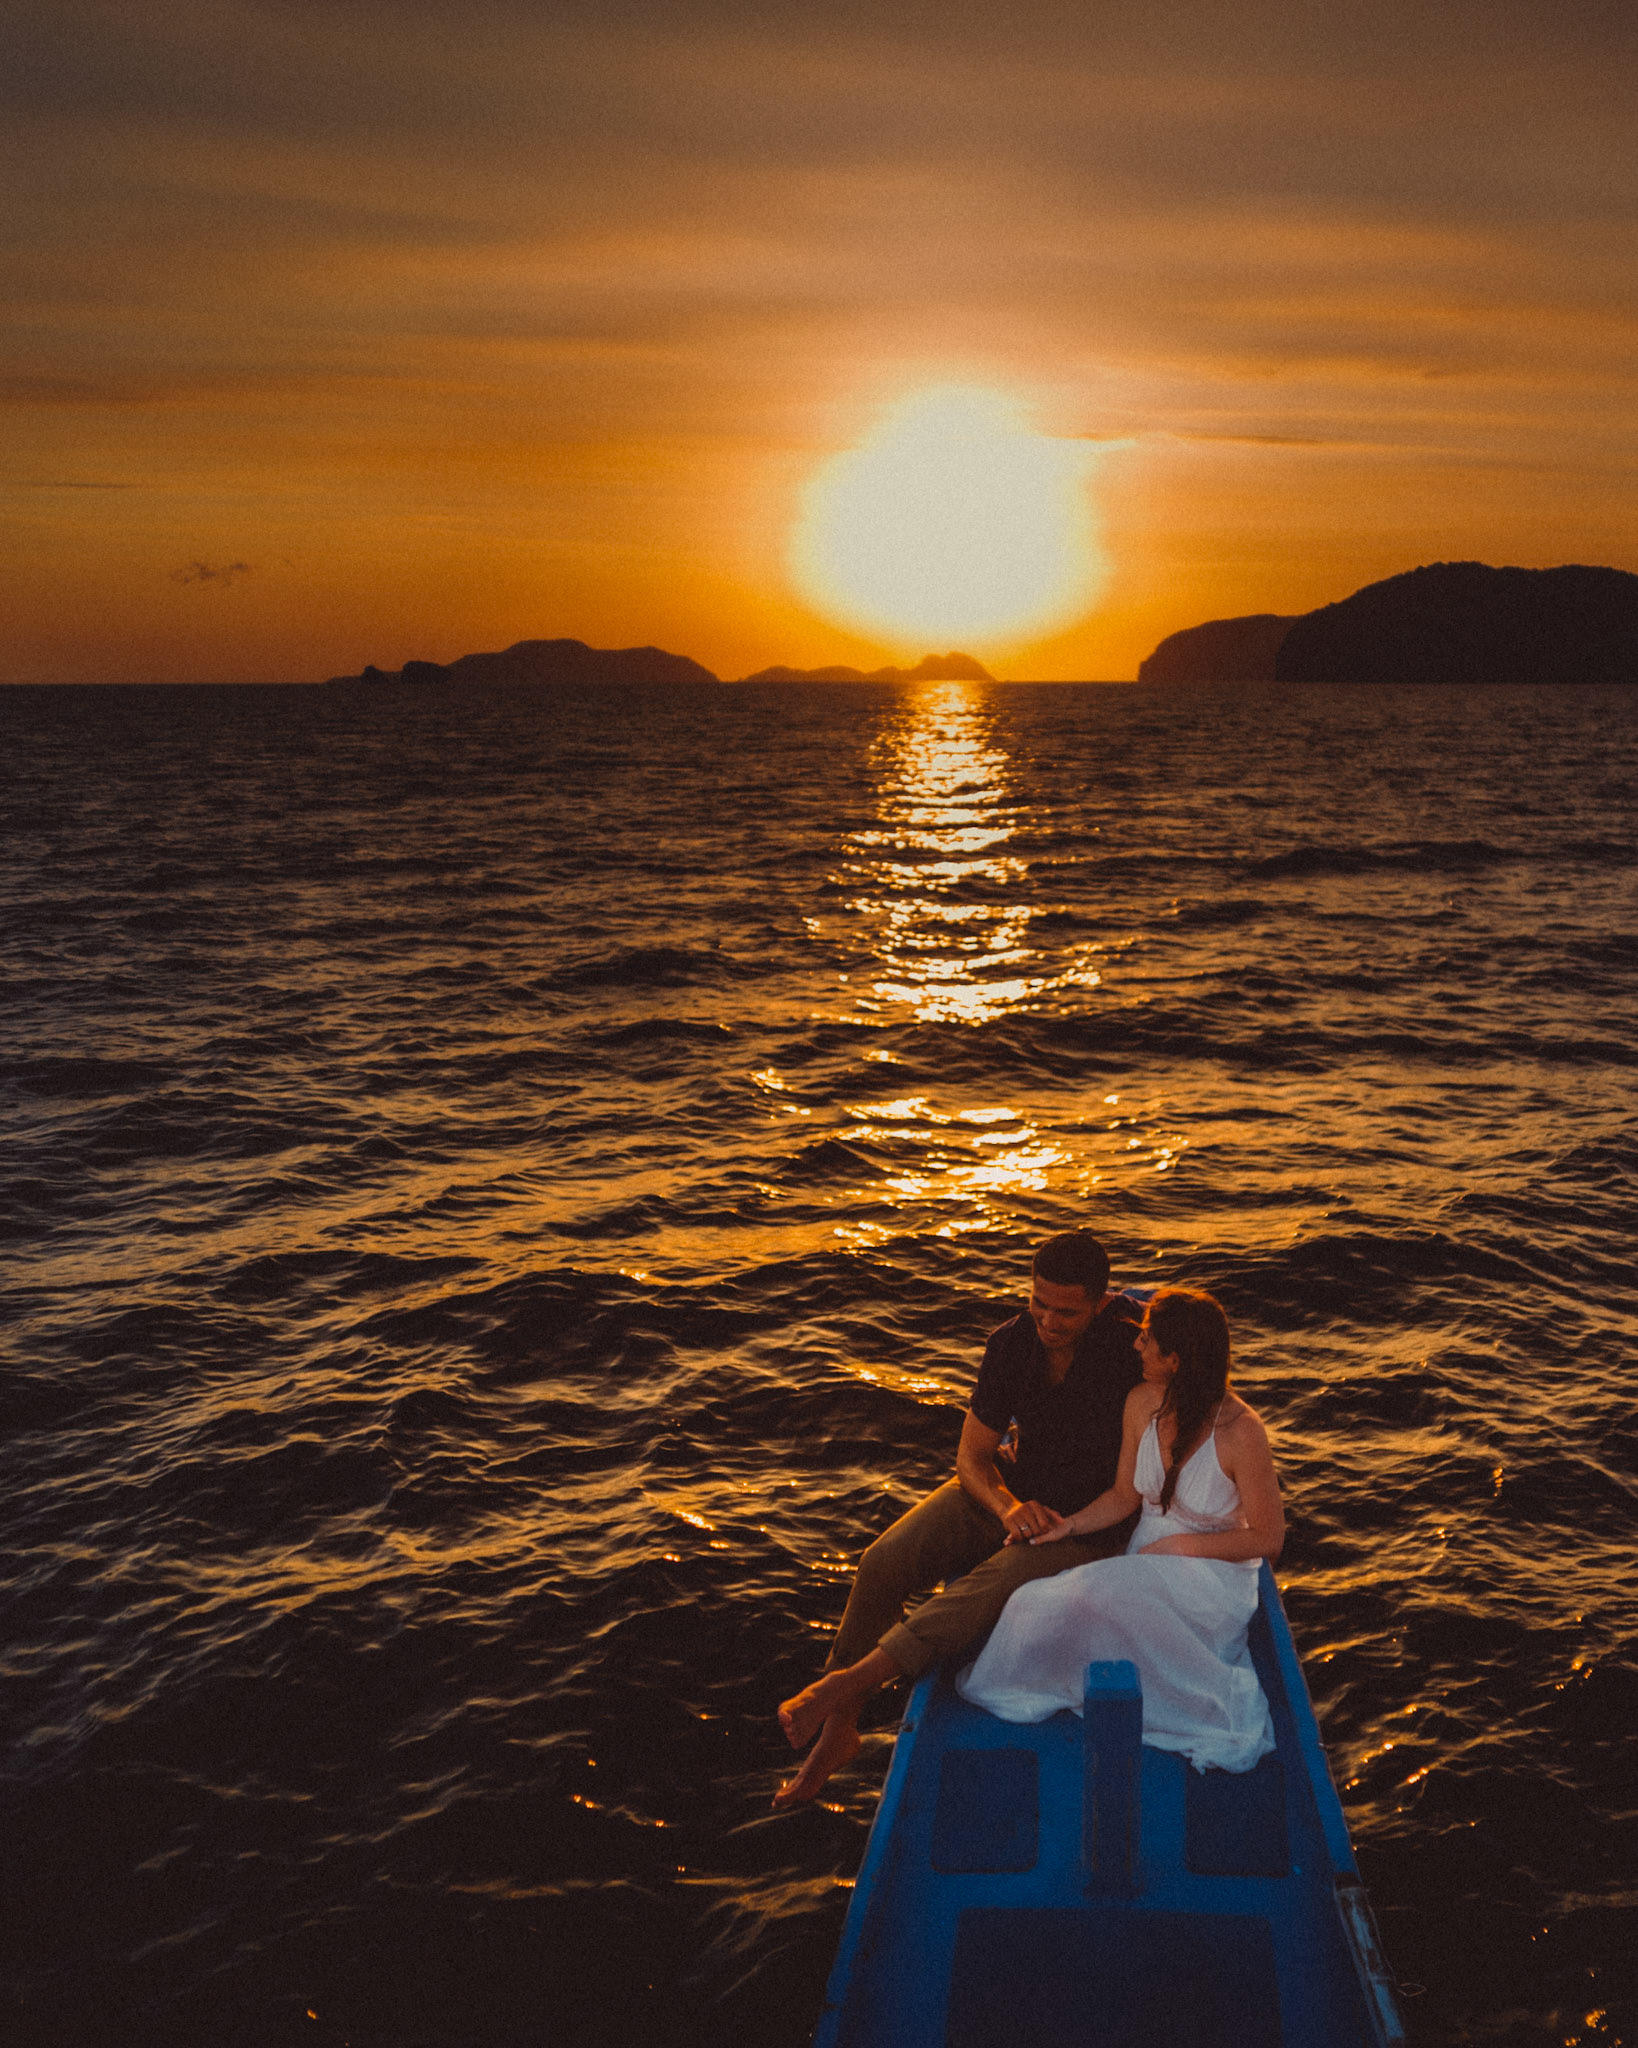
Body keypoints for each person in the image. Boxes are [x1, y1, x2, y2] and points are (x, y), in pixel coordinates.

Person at [775, 1231, 1142, 1807]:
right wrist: (1007, 1506)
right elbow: (972, 1457)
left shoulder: (1131, 1354)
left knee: (980, 1587)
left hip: (1090, 1521)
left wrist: (1049, 1522)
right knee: (881, 1563)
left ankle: (848, 1683)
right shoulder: (1011, 1345)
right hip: (1016, 1490)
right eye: (1038, 1302)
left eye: (1066, 1311)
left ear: (1099, 1303)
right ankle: (840, 1729)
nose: (1048, 1320)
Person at [955, 1286, 1283, 1773]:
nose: (1136, 1346)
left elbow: (1267, 1540)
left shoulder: (1241, 1430)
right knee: (1035, 1601)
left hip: (1212, 1572)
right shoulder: (1140, 1403)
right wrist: (1066, 1528)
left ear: (1174, 1359)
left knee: (1083, 1600)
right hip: (1147, 1557)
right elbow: (1124, 1497)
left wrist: (1181, 1547)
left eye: (1148, 1340)